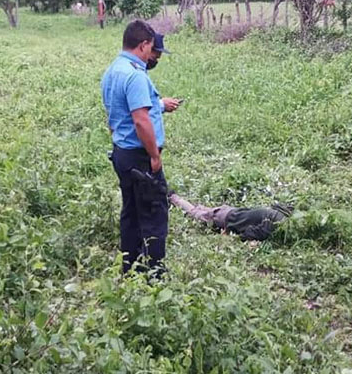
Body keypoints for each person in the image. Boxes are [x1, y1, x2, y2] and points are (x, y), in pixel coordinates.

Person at [101, 20, 182, 278]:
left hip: (122, 153)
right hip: (140, 157)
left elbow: (112, 115)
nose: (151, 54)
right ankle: (154, 276)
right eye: (150, 47)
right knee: (154, 215)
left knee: (131, 213)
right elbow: (140, 120)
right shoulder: (135, 75)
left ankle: (130, 268)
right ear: (144, 44)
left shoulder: (113, 70)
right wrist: (154, 156)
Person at [169, 193, 292, 241]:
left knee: (206, 211)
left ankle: (178, 199)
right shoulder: (274, 224)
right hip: (226, 218)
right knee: (194, 213)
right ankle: (173, 198)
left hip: (232, 211)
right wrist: (231, 237)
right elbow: (250, 233)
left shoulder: (279, 212)